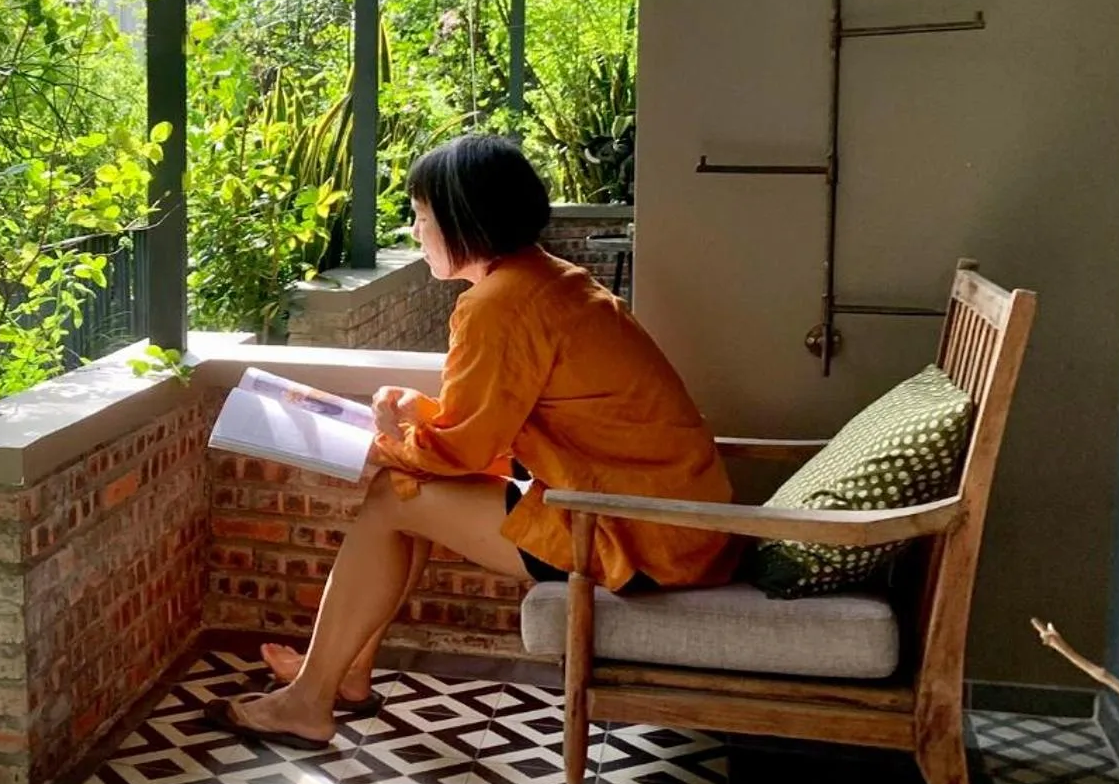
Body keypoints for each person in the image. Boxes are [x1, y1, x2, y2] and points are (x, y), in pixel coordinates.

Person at [205, 133, 734, 749]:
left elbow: (462, 450)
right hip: (670, 521)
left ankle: (307, 701)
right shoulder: (551, 281)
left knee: (391, 498)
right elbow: (497, 420)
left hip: (630, 530)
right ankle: (344, 673)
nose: (413, 232)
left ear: (464, 222)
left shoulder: (498, 306)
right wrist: (417, 416)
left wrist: (373, 445)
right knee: (411, 495)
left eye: (422, 218)